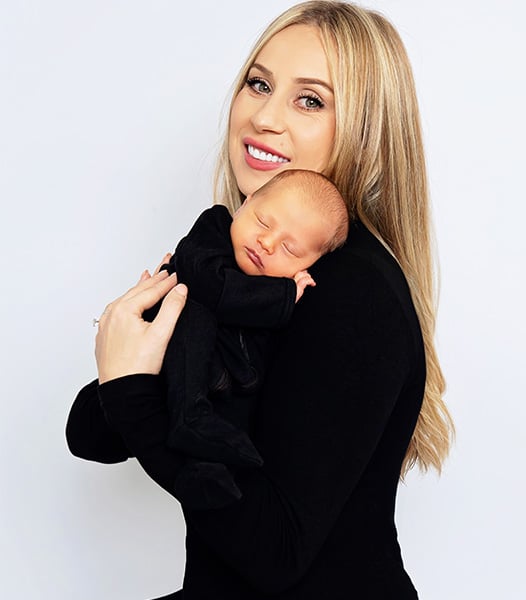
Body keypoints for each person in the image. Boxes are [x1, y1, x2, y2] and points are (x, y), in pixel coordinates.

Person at [66, 2, 455, 598]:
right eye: (259, 83)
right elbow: (96, 435)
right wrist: (127, 370)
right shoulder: (244, 268)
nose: (264, 117)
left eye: (310, 100)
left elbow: (276, 554)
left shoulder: (349, 291)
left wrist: (133, 393)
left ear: (365, 129)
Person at [144, 169, 348, 510]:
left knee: (238, 429)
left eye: (290, 249)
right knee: (193, 306)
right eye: (263, 222)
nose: (266, 243)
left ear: (311, 268)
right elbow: (210, 286)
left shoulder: (288, 313)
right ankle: (185, 419)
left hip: (221, 388)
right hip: (169, 359)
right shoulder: (213, 231)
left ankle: (205, 470)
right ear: (246, 203)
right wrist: (280, 296)